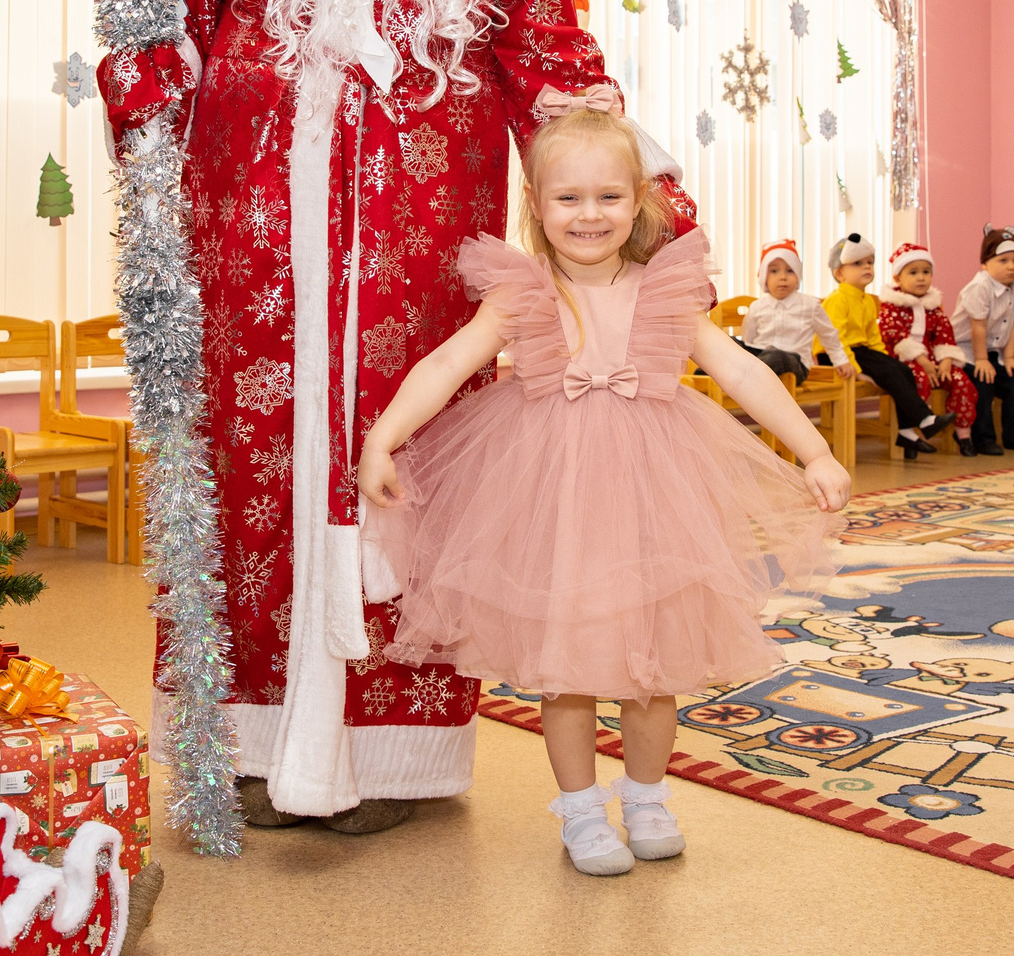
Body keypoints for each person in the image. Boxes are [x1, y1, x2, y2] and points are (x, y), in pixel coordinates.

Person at [95, 0, 689, 831]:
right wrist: (143, 76)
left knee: (413, 475)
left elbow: (555, 68)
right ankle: (250, 743)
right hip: (249, 234)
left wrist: (636, 200)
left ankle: (393, 757)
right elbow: (173, 29)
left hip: (425, 250)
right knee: (250, 476)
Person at [358, 109, 849, 875]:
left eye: (608, 198)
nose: (589, 215)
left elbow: (741, 369)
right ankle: (582, 811)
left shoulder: (665, 290)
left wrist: (815, 450)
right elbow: (448, 363)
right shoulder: (520, 292)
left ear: (638, 201)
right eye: (569, 199)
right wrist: (382, 436)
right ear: (537, 204)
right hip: (554, 496)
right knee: (572, 668)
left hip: (654, 493)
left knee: (656, 667)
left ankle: (648, 796)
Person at [825, 233, 950, 459]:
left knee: (901, 369)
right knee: (890, 370)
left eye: (870, 263)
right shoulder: (838, 299)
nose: (867, 267)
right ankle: (925, 420)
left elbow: (874, 338)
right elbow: (834, 338)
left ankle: (905, 431)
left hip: (862, 353)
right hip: (837, 355)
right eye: (858, 263)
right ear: (839, 273)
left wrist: (885, 360)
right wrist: (859, 370)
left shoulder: (867, 300)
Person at [875, 243, 975, 455]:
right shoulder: (891, 307)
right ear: (897, 278)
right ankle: (909, 432)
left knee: (960, 381)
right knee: (916, 380)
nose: (921, 278)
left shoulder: (934, 308)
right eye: (913, 272)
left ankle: (963, 433)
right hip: (906, 361)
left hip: (934, 361)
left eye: (926, 272)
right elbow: (893, 337)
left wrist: (946, 360)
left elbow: (944, 335)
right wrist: (922, 361)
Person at [955, 226, 1014, 455]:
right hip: (967, 351)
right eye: (1003, 260)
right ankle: (983, 438)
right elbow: (978, 327)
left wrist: (1011, 357)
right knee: (983, 383)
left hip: (995, 352)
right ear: (985, 263)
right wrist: (981, 360)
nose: (1011, 266)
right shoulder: (979, 287)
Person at [738, 239, 855, 385]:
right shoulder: (757, 307)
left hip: (795, 363)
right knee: (733, 344)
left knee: (775, 356)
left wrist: (841, 361)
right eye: (774, 271)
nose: (783, 277)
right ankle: (709, 374)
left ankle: (742, 378)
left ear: (798, 275)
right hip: (760, 356)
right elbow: (748, 339)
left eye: (790, 270)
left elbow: (829, 335)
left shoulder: (810, 305)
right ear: (764, 278)